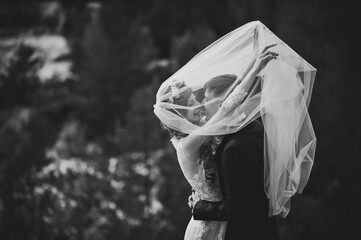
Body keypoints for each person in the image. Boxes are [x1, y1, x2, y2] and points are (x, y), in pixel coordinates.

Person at [154, 20, 316, 240]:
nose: (199, 105)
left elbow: (226, 103)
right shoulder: (188, 144)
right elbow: (225, 108)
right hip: (208, 226)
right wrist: (254, 70)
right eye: (192, 103)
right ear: (178, 115)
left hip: (223, 219)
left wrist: (253, 67)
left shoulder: (204, 134)